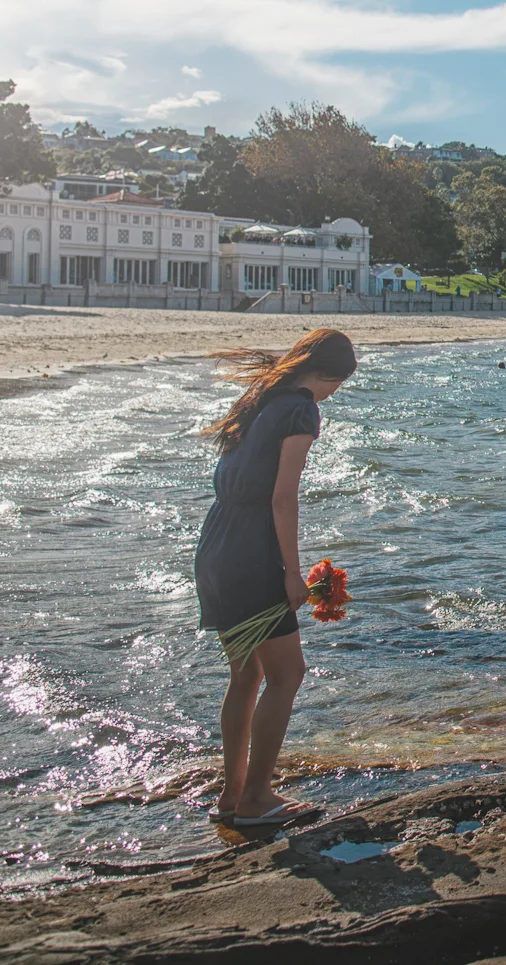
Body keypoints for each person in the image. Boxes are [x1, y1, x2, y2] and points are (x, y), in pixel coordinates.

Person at [194, 327, 357, 828]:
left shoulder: (260, 401)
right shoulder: (301, 408)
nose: (333, 394)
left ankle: (233, 791)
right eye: (338, 385)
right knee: (288, 675)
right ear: (327, 375)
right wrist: (292, 573)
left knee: (245, 676)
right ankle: (257, 800)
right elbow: (284, 497)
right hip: (253, 553)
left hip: (215, 548)